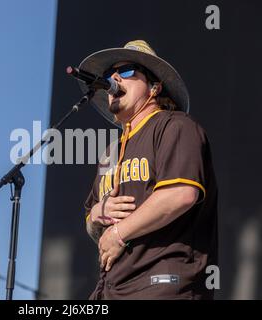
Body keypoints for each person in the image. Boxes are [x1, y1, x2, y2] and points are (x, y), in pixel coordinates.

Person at [81, 40, 218, 299]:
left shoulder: (176, 126)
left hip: (162, 284)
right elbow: (90, 218)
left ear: (154, 87)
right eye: (110, 74)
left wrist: (119, 233)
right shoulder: (111, 151)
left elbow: (181, 194)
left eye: (127, 71)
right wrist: (99, 212)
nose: (114, 78)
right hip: (111, 289)